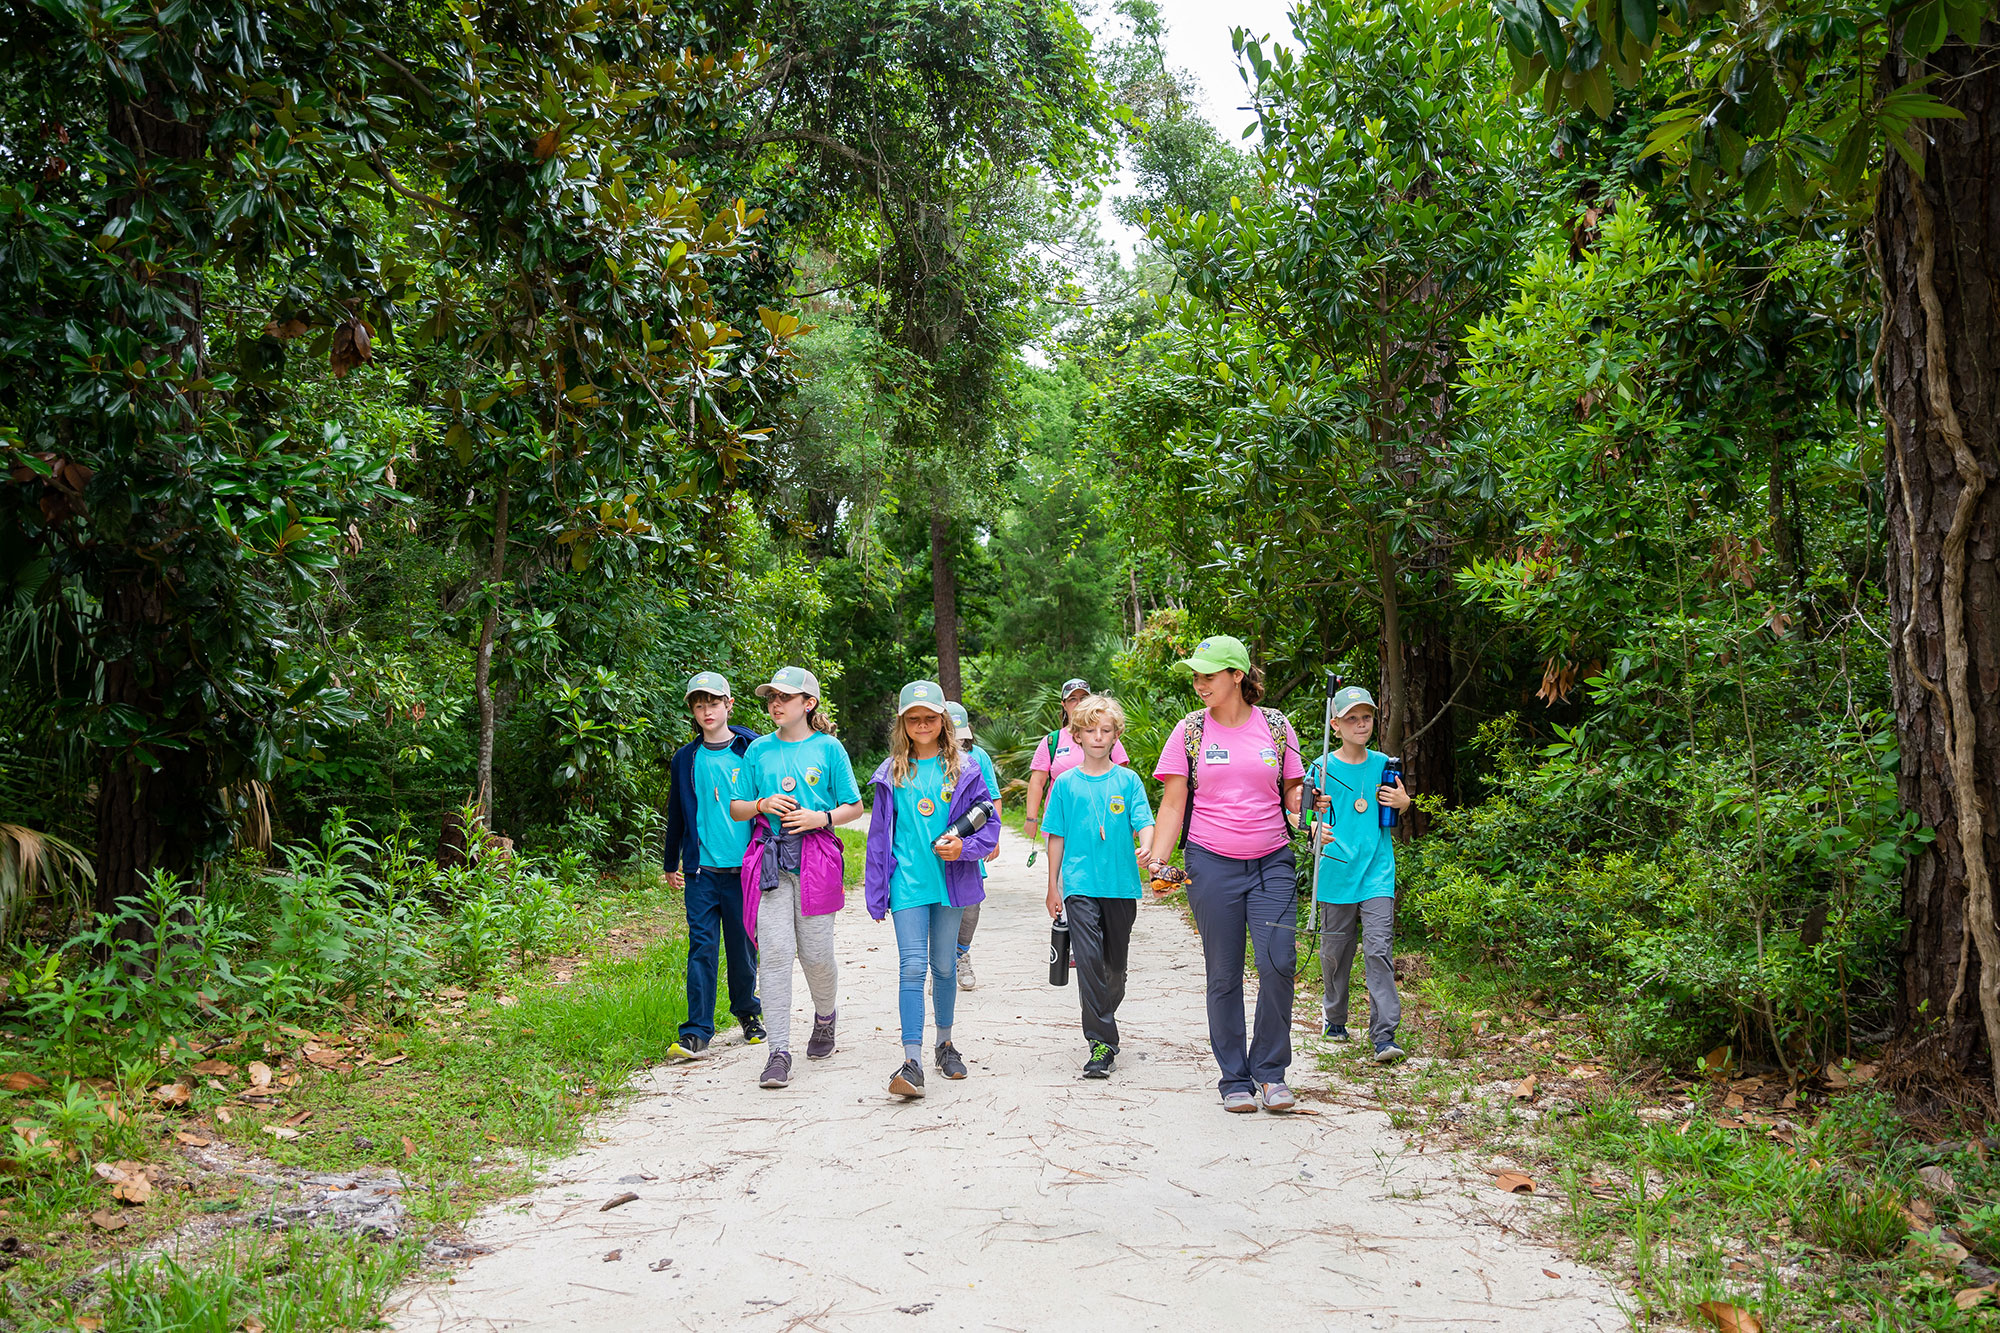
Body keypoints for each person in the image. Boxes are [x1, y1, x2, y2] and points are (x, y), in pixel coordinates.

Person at [1145, 635, 1306, 1115]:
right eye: (1195, 676)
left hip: (1273, 860)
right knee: (1224, 972)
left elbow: (1294, 796)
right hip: (1211, 862)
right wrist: (1158, 856)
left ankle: (1271, 1073)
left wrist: (1314, 818)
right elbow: (1173, 802)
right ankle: (1235, 1077)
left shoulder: (1276, 728)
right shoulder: (1190, 731)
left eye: (1208, 675)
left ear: (1238, 675)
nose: (1199, 684)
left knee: (1279, 963)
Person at [729, 666, 863, 1090]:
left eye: (784, 698)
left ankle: (825, 1018)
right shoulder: (757, 751)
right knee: (774, 954)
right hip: (769, 860)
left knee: (817, 954)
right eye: (771, 697)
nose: (775, 704)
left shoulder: (829, 749)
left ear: (808, 704)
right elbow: (736, 807)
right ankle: (778, 1051)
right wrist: (761, 804)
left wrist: (819, 817)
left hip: (816, 859)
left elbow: (855, 806)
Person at [863, 681, 999, 1099]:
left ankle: (944, 1043)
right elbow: (878, 835)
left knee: (943, 966)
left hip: (952, 882)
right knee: (911, 967)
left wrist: (964, 847)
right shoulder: (891, 772)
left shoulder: (965, 768)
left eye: (930, 717)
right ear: (903, 723)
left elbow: (989, 827)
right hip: (908, 883)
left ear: (943, 721)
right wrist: (876, 890)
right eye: (913, 718)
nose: (922, 724)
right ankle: (911, 1060)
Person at [1042, 694, 1154, 1079]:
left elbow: (1144, 821)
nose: (1098, 737)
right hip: (1079, 884)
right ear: (1077, 735)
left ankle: (1102, 1015)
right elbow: (1055, 835)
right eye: (1090, 730)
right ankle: (1102, 1042)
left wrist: (1148, 843)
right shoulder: (1066, 785)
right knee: (1088, 960)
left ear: (1116, 735)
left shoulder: (1128, 780)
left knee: (1114, 969)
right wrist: (1053, 886)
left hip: (1121, 885)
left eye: (1105, 730)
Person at [1306, 684, 1413, 1063]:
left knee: (1379, 949)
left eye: (1366, 717)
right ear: (1336, 724)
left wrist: (1405, 803)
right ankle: (1334, 1018)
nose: (1361, 724)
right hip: (1336, 871)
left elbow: (1398, 802)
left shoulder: (1385, 763)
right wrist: (1313, 826)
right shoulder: (1321, 766)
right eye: (1352, 718)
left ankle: (1384, 1035)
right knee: (1335, 952)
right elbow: (1305, 815)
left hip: (1377, 873)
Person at [661, 671, 764, 1060]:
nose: (707, 710)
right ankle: (697, 1031)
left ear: (728, 704)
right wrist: (672, 861)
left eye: (714, 703)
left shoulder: (750, 749)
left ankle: (748, 1014)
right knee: (702, 947)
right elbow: (678, 814)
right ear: (692, 709)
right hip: (702, 871)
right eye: (699, 704)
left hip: (745, 870)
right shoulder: (686, 759)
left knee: (742, 947)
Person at [1022, 677, 1130, 850]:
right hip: (1061, 823)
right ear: (1064, 704)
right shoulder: (1052, 740)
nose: (1078, 703)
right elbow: (1037, 781)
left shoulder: (1105, 737)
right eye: (1073, 699)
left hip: (1100, 821)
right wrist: (1031, 818)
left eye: (1084, 698)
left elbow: (1121, 780)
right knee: (1062, 876)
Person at [944, 700, 1002, 989]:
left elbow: (991, 799)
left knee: (971, 904)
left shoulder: (978, 756)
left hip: (971, 840)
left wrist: (994, 837)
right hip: (936, 844)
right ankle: (940, 961)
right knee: (938, 902)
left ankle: (960, 953)